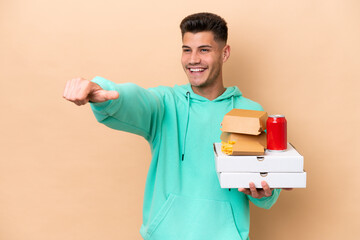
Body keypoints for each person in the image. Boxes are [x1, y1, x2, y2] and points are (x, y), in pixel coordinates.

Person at [63, 12, 281, 240]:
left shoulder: (251, 111)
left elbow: (268, 186)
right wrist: (100, 89)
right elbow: (136, 100)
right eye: (187, 50)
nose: (193, 59)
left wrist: (264, 194)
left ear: (224, 53)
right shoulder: (164, 103)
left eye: (204, 50)